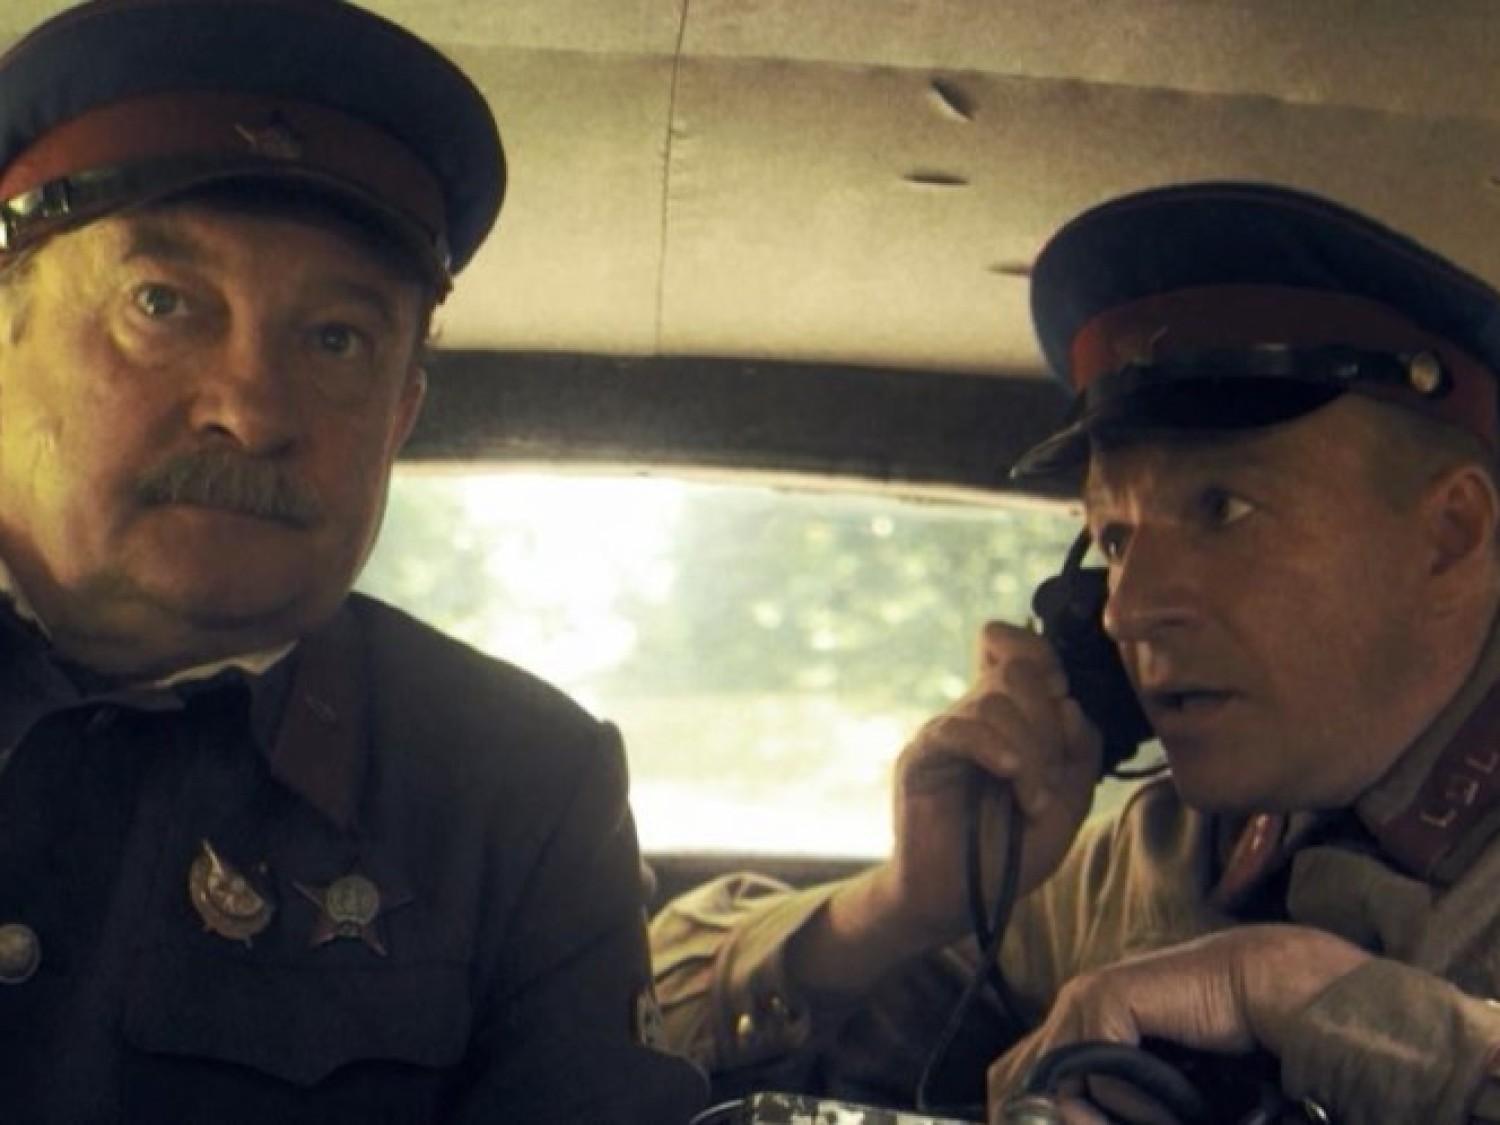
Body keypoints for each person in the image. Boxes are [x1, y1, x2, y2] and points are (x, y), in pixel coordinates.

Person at [650, 181, 1500, 1124]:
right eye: (1116, 539)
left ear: (1448, 534)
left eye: (1222, 509)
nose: (1128, 610)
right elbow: (648, 1007)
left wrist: (1314, 1004)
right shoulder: (1159, 854)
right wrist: (905, 903)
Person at [0, 1, 707, 1121]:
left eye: (337, 340)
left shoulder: (518, 794)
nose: (253, 411)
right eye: (164, 304)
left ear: (400, 413)